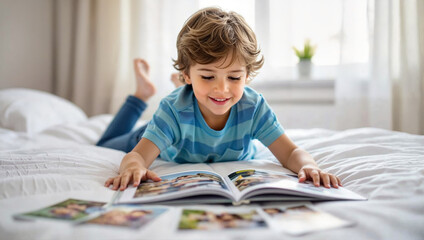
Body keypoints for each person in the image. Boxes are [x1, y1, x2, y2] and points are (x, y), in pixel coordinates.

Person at [99, 7, 342, 191]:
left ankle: (189, 87)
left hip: (184, 116)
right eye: (207, 76)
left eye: (234, 78)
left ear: (247, 75)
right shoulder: (173, 110)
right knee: (105, 143)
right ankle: (141, 95)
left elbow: (291, 154)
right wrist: (133, 167)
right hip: (166, 129)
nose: (222, 89)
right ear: (187, 73)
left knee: (197, 99)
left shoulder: (253, 107)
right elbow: (138, 156)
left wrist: (308, 166)